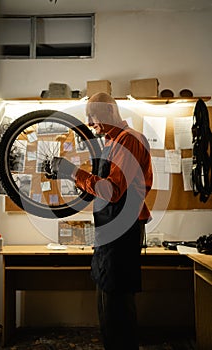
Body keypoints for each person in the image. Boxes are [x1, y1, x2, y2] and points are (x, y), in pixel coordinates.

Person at [51, 92, 153, 350]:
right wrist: (68, 176)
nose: (88, 121)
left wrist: (73, 172)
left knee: (117, 308)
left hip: (123, 230)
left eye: (92, 114)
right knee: (106, 303)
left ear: (109, 110)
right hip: (109, 229)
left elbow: (112, 190)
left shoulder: (128, 141)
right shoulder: (110, 142)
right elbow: (96, 189)